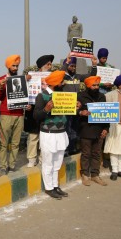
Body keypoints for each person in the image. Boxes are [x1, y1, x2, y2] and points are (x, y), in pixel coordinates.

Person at [33, 70, 72, 199]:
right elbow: (36, 116)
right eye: (62, 82)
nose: (64, 83)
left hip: (61, 133)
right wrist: (46, 110)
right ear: (56, 83)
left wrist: (75, 108)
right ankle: (49, 188)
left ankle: (55, 186)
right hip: (48, 135)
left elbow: (66, 113)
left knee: (57, 163)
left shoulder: (63, 95)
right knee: (48, 163)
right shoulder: (42, 96)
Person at [0, 54, 26, 176]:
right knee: (4, 142)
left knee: (16, 143)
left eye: (17, 66)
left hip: (19, 114)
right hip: (6, 114)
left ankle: (12, 165)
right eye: (13, 65)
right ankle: (3, 166)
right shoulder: (2, 79)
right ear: (8, 66)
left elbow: (25, 96)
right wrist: (1, 86)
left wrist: (26, 104)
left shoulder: (21, 80)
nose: (15, 68)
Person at [62, 54, 98, 154]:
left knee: (74, 128)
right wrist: (65, 64)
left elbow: (90, 77)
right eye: (71, 66)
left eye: (74, 66)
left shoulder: (78, 77)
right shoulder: (63, 76)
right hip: (65, 106)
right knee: (66, 128)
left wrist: (94, 65)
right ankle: (65, 150)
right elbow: (59, 74)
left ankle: (72, 148)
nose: (73, 68)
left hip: (76, 106)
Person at [77, 76, 109, 186]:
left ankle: (95, 174)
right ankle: (85, 175)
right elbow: (73, 111)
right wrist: (81, 113)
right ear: (88, 85)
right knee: (86, 153)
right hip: (86, 129)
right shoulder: (80, 96)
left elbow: (107, 113)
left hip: (99, 129)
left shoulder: (102, 96)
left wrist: (106, 128)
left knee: (97, 153)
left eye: (97, 85)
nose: (96, 87)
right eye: (93, 85)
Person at [25, 54, 54, 168]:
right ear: (41, 66)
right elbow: (23, 93)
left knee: (45, 137)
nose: (50, 66)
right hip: (32, 109)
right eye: (48, 64)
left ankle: (43, 158)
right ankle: (32, 159)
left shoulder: (52, 78)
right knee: (33, 136)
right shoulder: (30, 77)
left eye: (51, 64)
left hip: (47, 109)